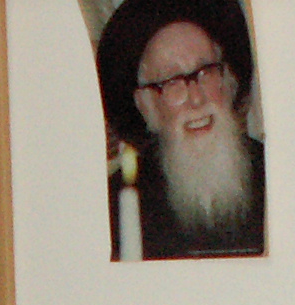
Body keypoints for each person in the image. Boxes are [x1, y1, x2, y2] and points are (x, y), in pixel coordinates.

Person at [97, 0, 266, 261]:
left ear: (228, 82)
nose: (196, 98)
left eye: (206, 72)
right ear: (146, 106)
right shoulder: (116, 203)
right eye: (172, 81)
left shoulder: (278, 176)